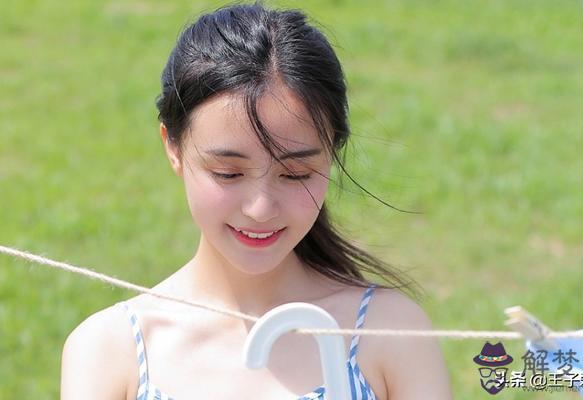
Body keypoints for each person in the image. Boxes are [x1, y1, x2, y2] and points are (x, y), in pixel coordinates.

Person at [60, 3, 452, 399]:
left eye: (295, 174)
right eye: (228, 173)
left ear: (331, 154)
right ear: (173, 147)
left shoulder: (388, 332)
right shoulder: (110, 350)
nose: (260, 209)